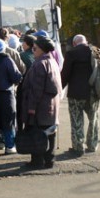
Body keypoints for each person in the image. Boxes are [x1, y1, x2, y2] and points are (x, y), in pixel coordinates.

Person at [21, 36, 62, 169]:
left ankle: (37, 162)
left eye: (35, 48)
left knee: (38, 133)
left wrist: (31, 107)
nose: (33, 50)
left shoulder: (40, 64)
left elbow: (36, 89)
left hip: (41, 106)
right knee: (49, 133)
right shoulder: (52, 61)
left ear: (42, 49)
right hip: (50, 105)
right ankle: (49, 160)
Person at [61, 34, 100, 156]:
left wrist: (59, 89)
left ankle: (78, 147)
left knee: (76, 120)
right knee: (93, 119)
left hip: (75, 94)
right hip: (93, 92)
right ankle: (92, 144)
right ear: (86, 41)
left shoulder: (71, 54)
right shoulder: (95, 52)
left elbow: (65, 74)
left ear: (74, 44)